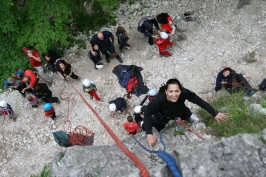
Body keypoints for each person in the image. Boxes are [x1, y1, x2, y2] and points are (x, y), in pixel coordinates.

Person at [143, 78, 229, 146]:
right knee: (158, 128)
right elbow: (147, 115)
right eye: (171, 91)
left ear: (181, 90)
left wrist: (215, 113)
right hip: (162, 117)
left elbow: (198, 100)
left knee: (191, 117)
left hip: (181, 111)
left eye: (177, 91)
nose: (174, 95)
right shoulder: (158, 100)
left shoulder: (184, 93)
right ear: (166, 91)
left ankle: (190, 118)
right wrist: (149, 134)